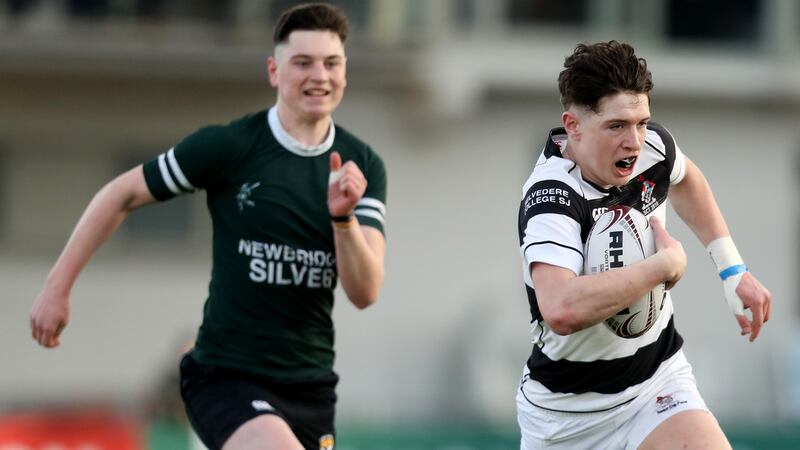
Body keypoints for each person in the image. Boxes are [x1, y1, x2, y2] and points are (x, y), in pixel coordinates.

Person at [29, 3, 387, 450]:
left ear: (345, 73)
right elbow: (119, 194)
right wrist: (57, 285)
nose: (320, 76)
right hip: (226, 377)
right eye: (303, 63)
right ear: (274, 71)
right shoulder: (231, 146)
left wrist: (343, 219)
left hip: (310, 389)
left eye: (331, 63)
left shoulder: (362, 165)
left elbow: (365, 291)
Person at [515, 40, 771, 449]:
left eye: (641, 122)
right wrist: (662, 267)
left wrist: (732, 269)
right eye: (616, 126)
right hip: (566, 420)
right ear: (573, 125)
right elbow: (561, 308)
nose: (634, 141)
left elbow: (687, 180)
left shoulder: (653, 148)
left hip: (656, 385)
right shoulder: (552, 198)